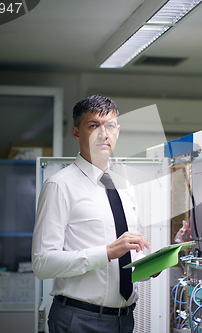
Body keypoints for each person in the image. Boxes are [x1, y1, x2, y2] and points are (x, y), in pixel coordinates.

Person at [32, 95, 152, 333]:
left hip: (125, 319)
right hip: (79, 319)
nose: (103, 134)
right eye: (93, 126)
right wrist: (106, 252)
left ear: (117, 131)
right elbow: (42, 263)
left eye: (109, 126)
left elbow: (126, 257)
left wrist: (150, 266)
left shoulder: (126, 186)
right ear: (77, 133)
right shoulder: (60, 185)